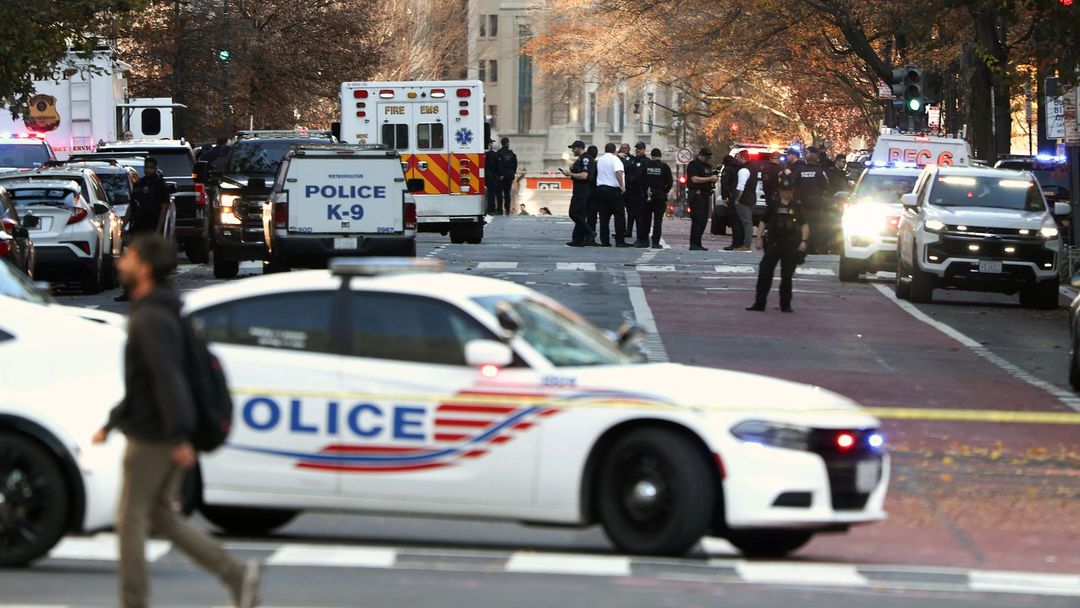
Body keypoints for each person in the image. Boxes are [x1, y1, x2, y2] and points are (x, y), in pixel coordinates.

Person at [92, 234, 262, 608]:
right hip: (160, 427)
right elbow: (147, 381)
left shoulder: (151, 317)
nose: (120, 262)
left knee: (130, 519)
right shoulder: (163, 310)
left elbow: (168, 377)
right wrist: (113, 421)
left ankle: (133, 601)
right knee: (160, 518)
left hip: (155, 435)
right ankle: (236, 574)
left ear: (145, 268)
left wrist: (178, 434)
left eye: (129, 257)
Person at [747, 175, 809, 313]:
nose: (786, 193)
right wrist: (759, 238)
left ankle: (785, 305)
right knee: (764, 273)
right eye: (783, 190)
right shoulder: (774, 205)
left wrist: (803, 242)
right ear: (780, 191)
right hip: (774, 244)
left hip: (790, 245)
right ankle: (759, 303)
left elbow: (804, 225)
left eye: (788, 191)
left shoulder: (797, 206)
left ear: (792, 192)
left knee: (787, 276)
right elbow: (763, 221)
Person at [116, 158, 172, 302]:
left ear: (155, 168)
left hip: (151, 225)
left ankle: (154, 291)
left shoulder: (160, 185)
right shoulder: (139, 184)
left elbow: (164, 208)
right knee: (133, 259)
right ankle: (128, 291)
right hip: (138, 226)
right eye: (146, 167)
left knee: (152, 261)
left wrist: (158, 229)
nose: (148, 170)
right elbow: (131, 206)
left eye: (151, 168)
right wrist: (124, 225)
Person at [561, 140, 595, 247]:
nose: (572, 150)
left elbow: (584, 175)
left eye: (573, 148)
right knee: (580, 214)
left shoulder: (585, 158)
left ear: (579, 148)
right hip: (578, 188)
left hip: (582, 189)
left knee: (574, 213)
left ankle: (590, 232)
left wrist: (570, 174)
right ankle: (577, 239)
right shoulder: (580, 159)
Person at [595, 143, 630, 247]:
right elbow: (618, 172)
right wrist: (622, 186)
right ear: (615, 150)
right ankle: (620, 241)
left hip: (601, 189)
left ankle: (604, 241)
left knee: (604, 217)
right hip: (613, 190)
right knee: (619, 215)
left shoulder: (600, 160)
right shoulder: (615, 160)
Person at [797, 150, 831, 254]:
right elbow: (826, 186)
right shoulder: (820, 172)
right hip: (816, 204)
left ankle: (802, 245)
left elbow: (794, 186)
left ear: (806, 160)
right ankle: (812, 247)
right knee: (815, 226)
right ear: (816, 161)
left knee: (802, 224)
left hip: (802, 203)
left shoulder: (800, 171)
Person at [685, 148, 719, 251]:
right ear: (701, 155)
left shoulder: (707, 166)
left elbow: (709, 178)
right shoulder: (694, 164)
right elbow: (694, 179)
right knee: (697, 219)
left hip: (705, 194)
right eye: (706, 156)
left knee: (704, 220)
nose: (708, 159)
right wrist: (709, 179)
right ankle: (694, 243)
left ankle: (698, 243)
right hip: (696, 194)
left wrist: (713, 179)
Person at [644, 148, 674, 249]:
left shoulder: (646, 166)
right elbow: (670, 182)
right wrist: (664, 191)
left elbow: (640, 179)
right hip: (660, 196)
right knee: (658, 220)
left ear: (651, 156)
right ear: (660, 156)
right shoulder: (664, 167)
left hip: (647, 196)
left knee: (645, 219)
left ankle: (644, 241)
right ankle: (655, 242)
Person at [729, 150, 757, 252]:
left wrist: (736, 199)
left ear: (741, 157)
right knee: (747, 222)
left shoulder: (743, 170)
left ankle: (746, 245)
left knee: (746, 223)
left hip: (744, 200)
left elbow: (740, 187)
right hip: (752, 198)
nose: (736, 159)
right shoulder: (753, 168)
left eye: (737, 157)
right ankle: (745, 244)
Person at [625, 142, 649, 247]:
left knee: (641, 217)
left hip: (641, 192)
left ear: (644, 149)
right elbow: (627, 170)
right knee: (634, 215)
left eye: (639, 149)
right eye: (636, 149)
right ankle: (640, 238)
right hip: (633, 192)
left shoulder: (646, 161)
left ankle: (643, 239)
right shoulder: (634, 160)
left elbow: (638, 175)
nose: (638, 150)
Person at [495, 137, 518, 215]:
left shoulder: (498, 153)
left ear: (502, 143)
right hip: (509, 175)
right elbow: (515, 164)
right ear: (507, 143)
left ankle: (499, 209)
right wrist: (513, 172)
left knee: (499, 192)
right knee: (507, 192)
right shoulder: (512, 154)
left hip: (501, 176)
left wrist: (500, 174)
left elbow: (497, 165)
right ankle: (507, 208)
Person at [584, 145, 600, 242]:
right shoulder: (596, 164)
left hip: (586, 191)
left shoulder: (585, 162)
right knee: (592, 217)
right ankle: (590, 236)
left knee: (584, 215)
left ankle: (585, 236)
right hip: (594, 193)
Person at [484, 139, 499, 215]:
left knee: (489, 193)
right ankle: (491, 208)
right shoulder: (494, 154)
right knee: (492, 193)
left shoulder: (484, 154)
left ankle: (489, 208)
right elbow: (497, 166)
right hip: (492, 176)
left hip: (486, 176)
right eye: (491, 143)